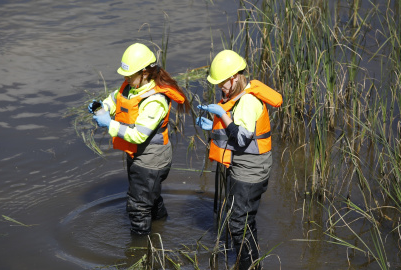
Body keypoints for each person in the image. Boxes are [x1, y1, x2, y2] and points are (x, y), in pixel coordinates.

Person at [89, 43, 190, 235]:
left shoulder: (155, 100)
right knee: (150, 198)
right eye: (125, 75)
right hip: (137, 154)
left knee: (138, 207)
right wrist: (103, 107)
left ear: (144, 72)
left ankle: (140, 249)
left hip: (152, 159)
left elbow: (138, 134)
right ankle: (161, 227)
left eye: (129, 75)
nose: (126, 79)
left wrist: (109, 125)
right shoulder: (130, 85)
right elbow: (115, 99)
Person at [196, 50, 282, 270]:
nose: (219, 88)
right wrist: (213, 129)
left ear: (234, 78)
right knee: (244, 219)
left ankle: (246, 265)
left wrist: (222, 116)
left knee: (238, 222)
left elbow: (242, 138)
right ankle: (253, 263)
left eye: (222, 83)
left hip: (250, 172)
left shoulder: (247, 101)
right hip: (248, 168)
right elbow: (236, 133)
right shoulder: (237, 98)